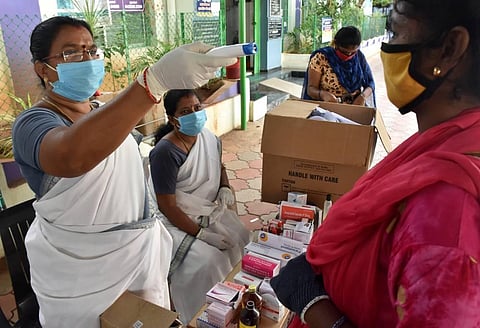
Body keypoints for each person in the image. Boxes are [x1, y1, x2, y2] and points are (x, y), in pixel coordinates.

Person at [12, 16, 236, 328]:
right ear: (41, 68)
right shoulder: (33, 123)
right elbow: (71, 157)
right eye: (71, 53)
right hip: (82, 281)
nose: (87, 60)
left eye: (91, 50)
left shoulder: (101, 114)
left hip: (138, 259)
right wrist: (153, 82)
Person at [272, 0, 480, 327]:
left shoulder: (445, 216)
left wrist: (312, 303)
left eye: (395, 32)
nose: (387, 48)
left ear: (450, 48)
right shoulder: (445, 142)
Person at [148, 89, 250, 324]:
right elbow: (167, 206)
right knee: (210, 261)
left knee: (241, 237)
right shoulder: (165, 152)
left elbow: (220, 166)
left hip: (203, 210)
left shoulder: (208, 138)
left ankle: (235, 304)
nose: (194, 114)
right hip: (174, 221)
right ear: (173, 119)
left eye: (197, 108)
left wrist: (224, 187)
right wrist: (203, 236)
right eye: (185, 111)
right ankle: (202, 315)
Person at [301, 26, 375, 107]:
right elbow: (311, 89)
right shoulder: (321, 57)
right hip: (327, 108)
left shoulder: (359, 57)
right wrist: (323, 94)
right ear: (335, 44)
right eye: (344, 52)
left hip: (354, 107)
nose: (349, 55)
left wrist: (363, 96)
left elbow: (370, 84)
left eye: (353, 52)